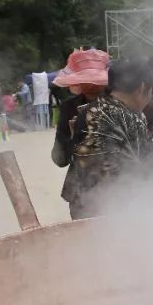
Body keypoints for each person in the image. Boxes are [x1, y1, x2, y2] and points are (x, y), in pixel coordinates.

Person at [69, 59, 153, 218]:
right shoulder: (131, 120)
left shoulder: (87, 112)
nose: (150, 97)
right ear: (142, 88)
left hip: (82, 212)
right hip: (117, 219)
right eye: (150, 92)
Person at [52, 49, 110, 220]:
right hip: (80, 191)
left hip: (115, 190)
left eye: (95, 80)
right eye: (85, 79)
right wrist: (73, 138)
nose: (91, 85)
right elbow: (59, 159)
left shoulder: (118, 106)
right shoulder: (69, 108)